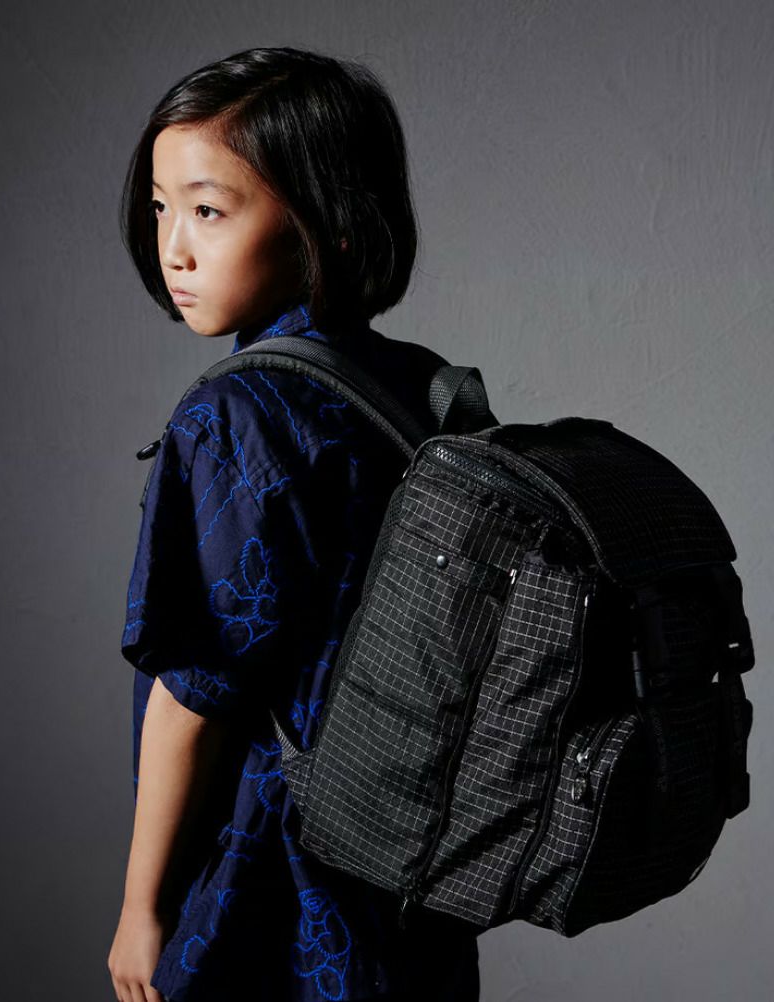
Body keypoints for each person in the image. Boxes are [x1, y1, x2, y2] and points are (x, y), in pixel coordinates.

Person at [106, 47, 482, 1002]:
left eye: (208, 211)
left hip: (272, 872)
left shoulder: (235, 414)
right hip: (406, 869)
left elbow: (194, 693)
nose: (174, 248)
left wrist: (142, 907)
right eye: (160, 207)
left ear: (330, 223)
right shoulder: (425, 387)